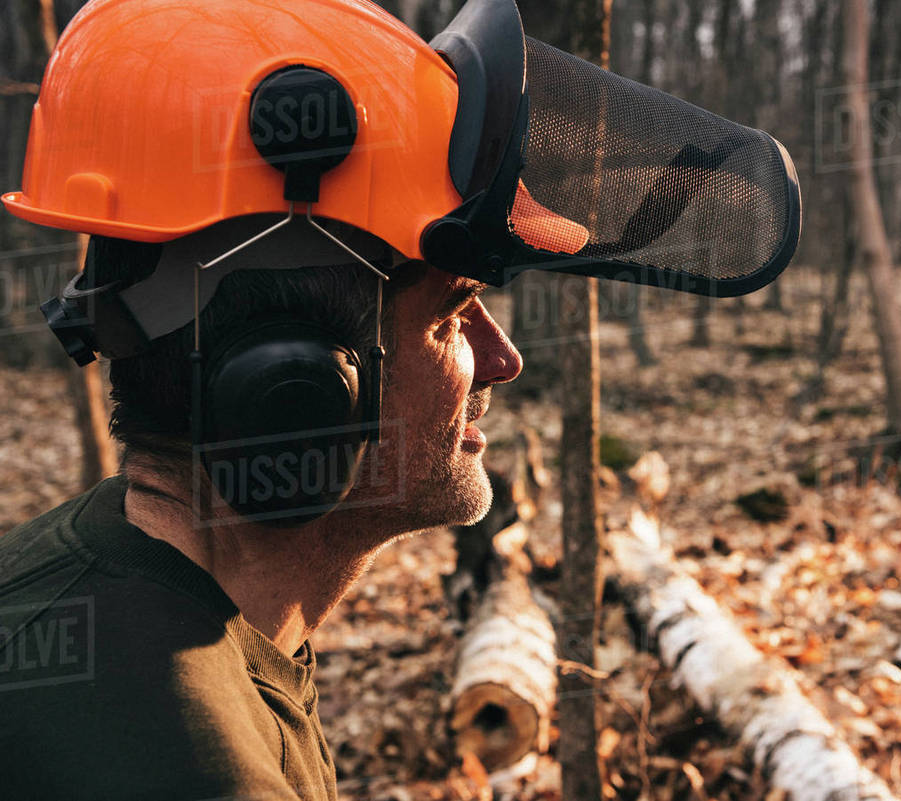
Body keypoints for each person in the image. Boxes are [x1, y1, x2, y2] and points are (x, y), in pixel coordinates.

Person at [0, 0, 801, 797]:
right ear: (296, 386)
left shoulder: (141, 608)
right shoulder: (175, 760)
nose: (504, 359)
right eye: (452, 315)